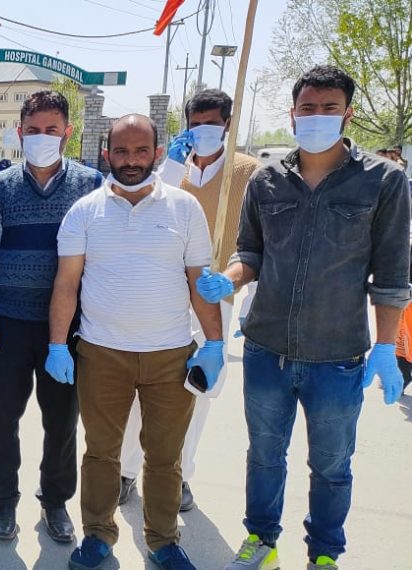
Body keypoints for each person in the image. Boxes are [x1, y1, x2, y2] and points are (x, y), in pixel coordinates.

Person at [198, 65, 411, 570]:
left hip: (336, 354)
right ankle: (262, 541)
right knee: (264, 457)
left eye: (328, 108)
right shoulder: (267, 180)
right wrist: (227, 279)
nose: (317, 117)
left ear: (347, 113)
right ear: (292, 115)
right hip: (266, 348)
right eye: (308, 109)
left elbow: (392, 275)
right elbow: (249, 253)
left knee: (332, 466)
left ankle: (323, 554)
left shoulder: (383, 182)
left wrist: (385, 347)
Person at [48, 115, 224, 570]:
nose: (130, 161)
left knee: (165, 456)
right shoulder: (84, 211)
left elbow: (197, 281)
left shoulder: (185, 208)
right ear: (107, 153)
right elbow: (67, 284)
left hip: (170, 355)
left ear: (158, 153)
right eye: (121, 151)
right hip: (102, 353)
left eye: (140, 151)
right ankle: (98, 535)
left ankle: (163, 541)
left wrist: (215, 344)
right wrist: (56, 345)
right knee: (101, 452)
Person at [118, 89, 262, 512]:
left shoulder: (248, 172)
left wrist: (235, 286)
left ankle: (178, 473)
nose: (203, 131)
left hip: (213, 296)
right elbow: (140, 213)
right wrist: (170, 169)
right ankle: (126, 470)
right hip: (160, 293)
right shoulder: (169, 171)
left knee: (198, 389)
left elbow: (256, 241)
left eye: (212, 124)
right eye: (196, 123)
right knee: (141, 387)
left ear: (227, 125)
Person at [0, 90, 102, 542]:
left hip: (65, 328)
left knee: (62, 420)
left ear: (67, 132)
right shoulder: (2, 186)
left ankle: (56, 501)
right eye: (33, 131)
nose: (41, 137)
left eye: (51, 130)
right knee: (2, 417)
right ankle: (3, 501)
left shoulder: (90, 184)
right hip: (8, 320)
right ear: (19, 133)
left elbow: (101, 256)